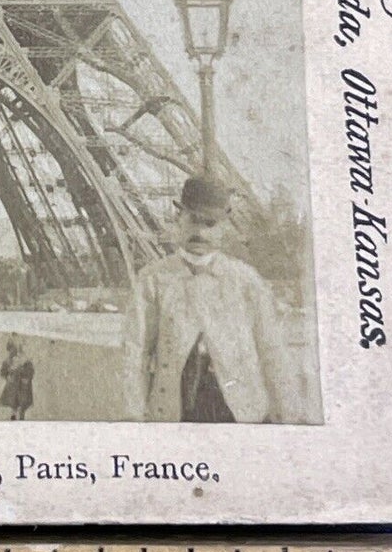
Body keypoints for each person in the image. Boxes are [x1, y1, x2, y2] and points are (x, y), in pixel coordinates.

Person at [122, 174, 293, 423]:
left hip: (241, 410)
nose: (199, 233)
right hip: (176, 408)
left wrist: (284, 414)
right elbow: (135, 351)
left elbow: (271, 350)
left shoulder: (246, 281)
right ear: (178, 218)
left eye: (210, 224)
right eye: (192, 221)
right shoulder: (153, 280)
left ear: (224, 226)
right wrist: (134, 415)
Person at [0, 336, 34, 419]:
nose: (13, 352)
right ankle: (15, 415)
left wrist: (26, 378)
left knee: (22, 404)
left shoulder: (26, 361)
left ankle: (20, 415)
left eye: (15, 349)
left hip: (22, 386)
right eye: (11, 349)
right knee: (14, 404)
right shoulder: (8, 361)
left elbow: (30, 371)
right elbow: (3, 373)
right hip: (14, 386)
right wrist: (8, 376)